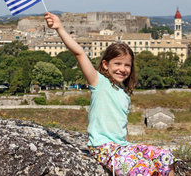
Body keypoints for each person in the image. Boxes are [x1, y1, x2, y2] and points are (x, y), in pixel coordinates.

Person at [44, 12, 176, 176]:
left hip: (122, 147)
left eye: (127, 65)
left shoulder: (124, 94)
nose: (122, 69)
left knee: (166, 157)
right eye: (118, 63)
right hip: (104, 148)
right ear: (105, 64)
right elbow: (79, 53)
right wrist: (60, 28)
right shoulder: (98, 82)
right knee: (144, 170)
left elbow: (122, 126)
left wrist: (131, 149)